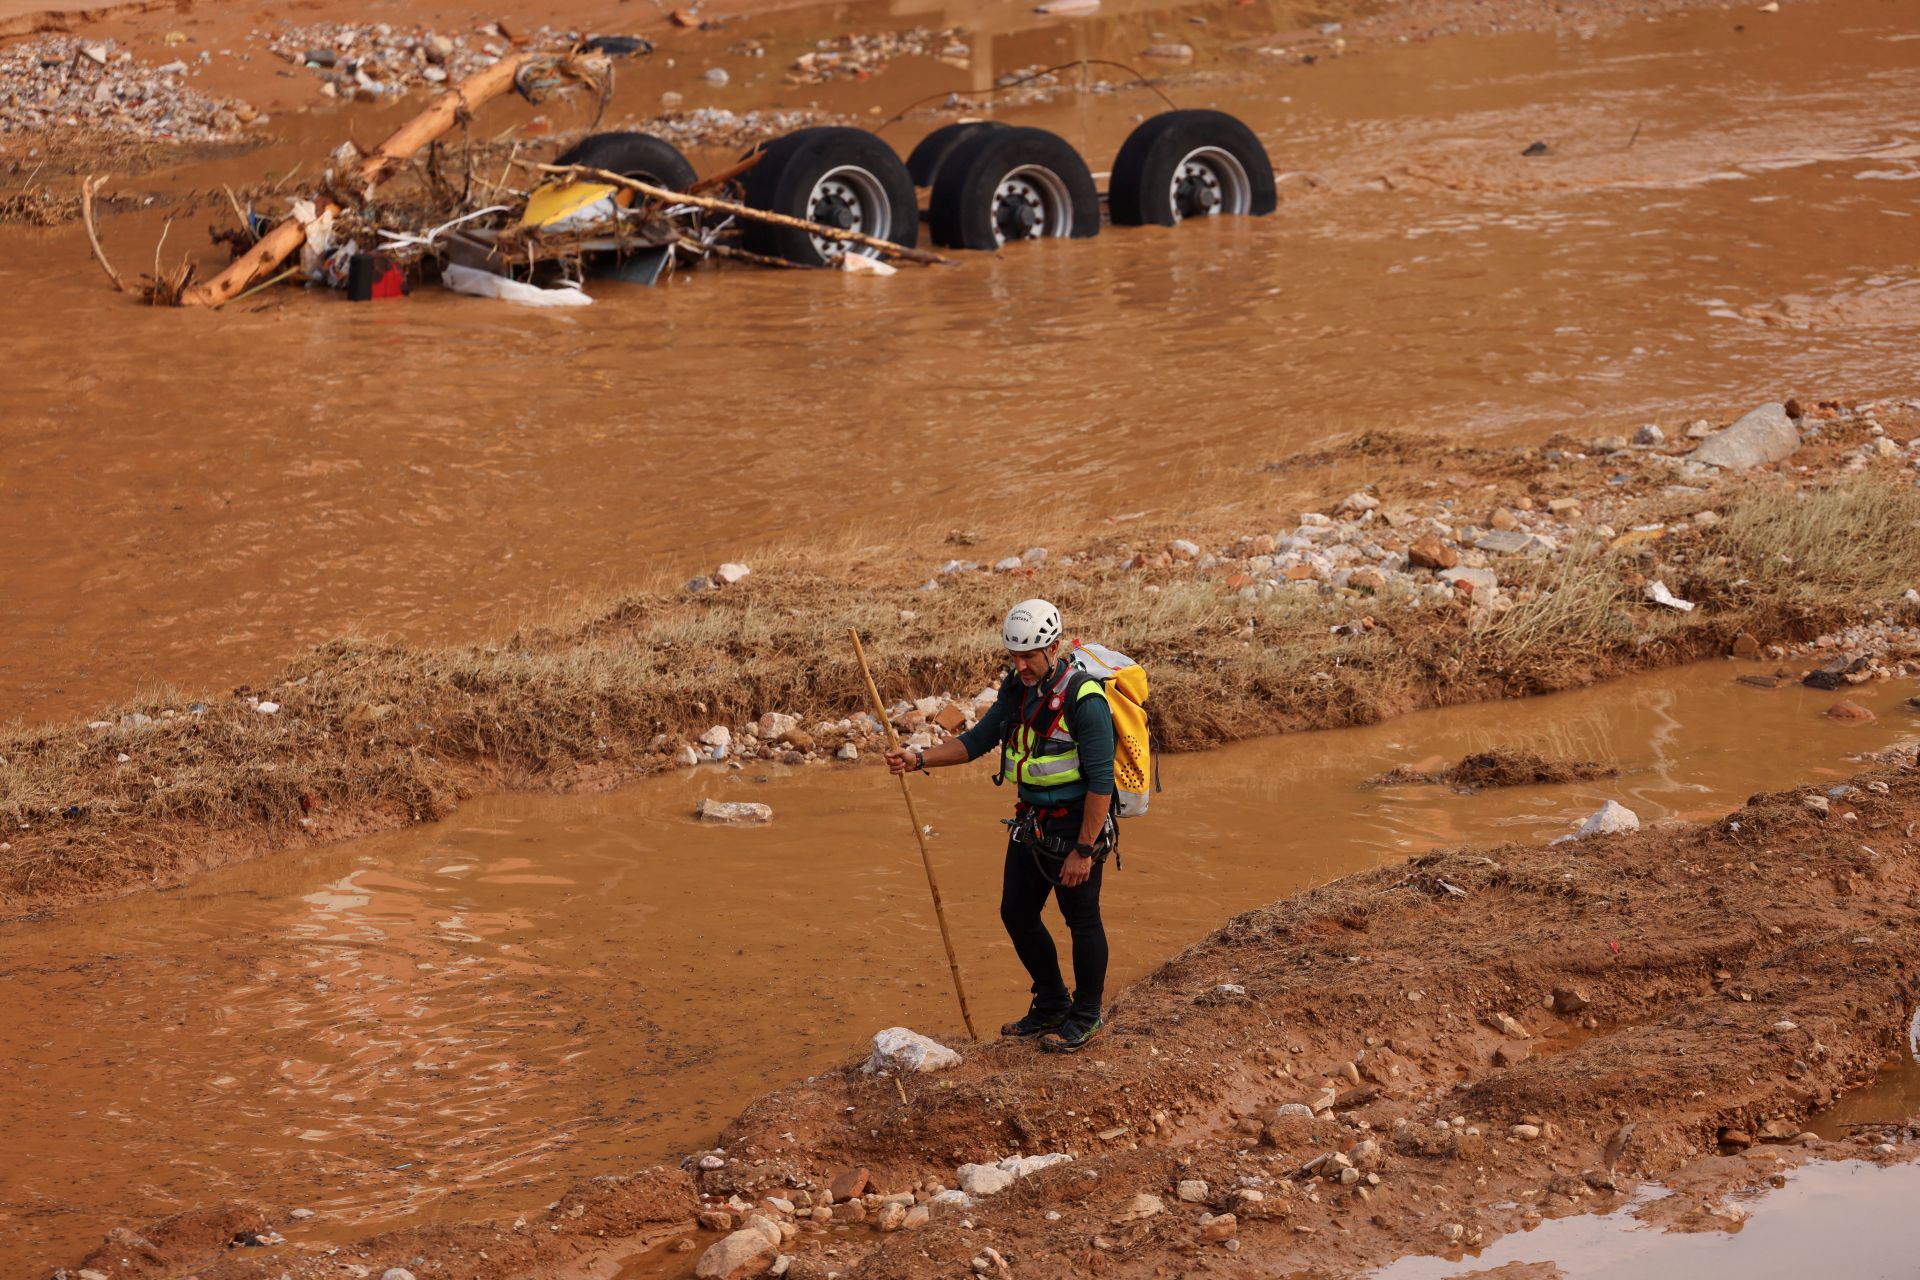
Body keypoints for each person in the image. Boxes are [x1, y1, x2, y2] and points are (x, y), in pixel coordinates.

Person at [885, 599, 1117, 1053]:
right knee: (1016, 912)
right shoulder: (1017, 688)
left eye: (1029, 656)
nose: (1020, 665)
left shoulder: (1084, 699)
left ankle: (1087, 1016)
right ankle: (1051, 1002)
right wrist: (917, 759)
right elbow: (978, 741)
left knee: (1081, 920)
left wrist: (1084, 851)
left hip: (1076, 827)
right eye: (1013, 656)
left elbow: (1102, 783)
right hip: (1031, 822)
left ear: (1053, 647)